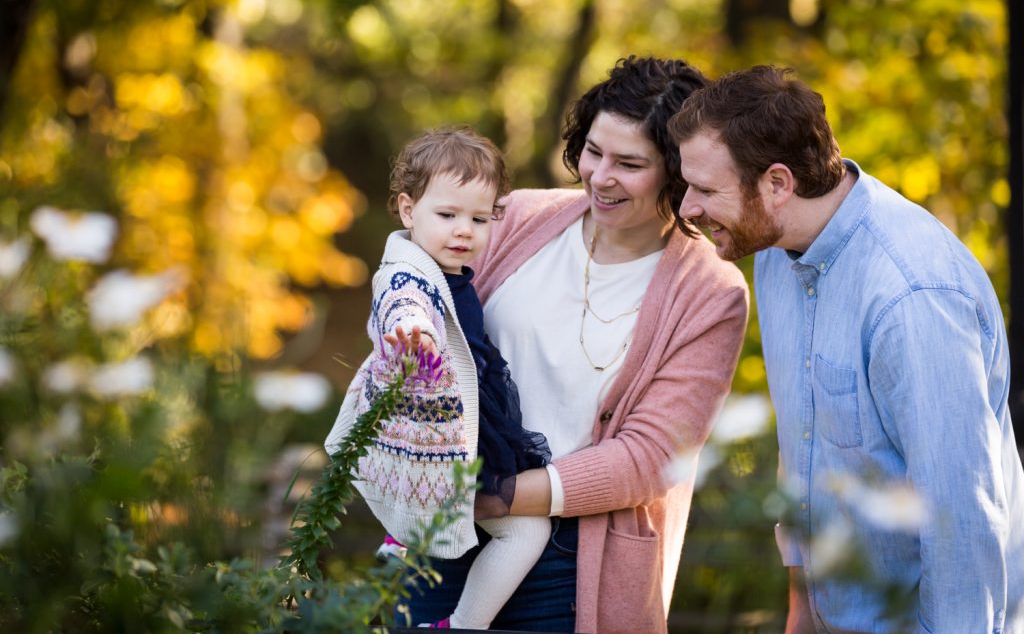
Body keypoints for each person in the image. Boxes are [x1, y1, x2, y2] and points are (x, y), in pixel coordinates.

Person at [399, 56, 749, 633]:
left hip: (570, 562)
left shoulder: (709, 293)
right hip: (441, 527)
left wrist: (499, 499)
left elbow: (650, 458)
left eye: (629, 163)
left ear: (679, 171)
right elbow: (413, 283)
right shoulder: (512, 219)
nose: (599, 176)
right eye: (593, 151)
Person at [670, 65, 1024, 633]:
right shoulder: (774, 250)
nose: (687, 208)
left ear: (778, 183)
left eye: (707, 191)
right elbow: (805, 453)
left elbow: (963, 522)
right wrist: (802, 608)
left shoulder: (911, 295)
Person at [324, 127, 553, 630]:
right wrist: (412, 330)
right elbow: (401, 302)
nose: (463, 231)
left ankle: (403, 535)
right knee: (526, 531)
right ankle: (464, 624)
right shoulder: (408, 271)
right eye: (447, 215)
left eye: (479, 218)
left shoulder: (449, 269)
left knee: (513, 526)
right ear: (408, 210)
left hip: (452, 426)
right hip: (442, 431)